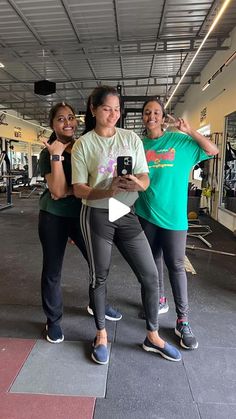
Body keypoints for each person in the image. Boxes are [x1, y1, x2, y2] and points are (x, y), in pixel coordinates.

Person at [71, 85, 181, 365]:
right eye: (107, 108)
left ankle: (152, 336)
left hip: (124, 210)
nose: (113, 114)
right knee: (100, 276)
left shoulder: (131, 138)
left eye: (117, 109)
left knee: (150, 275)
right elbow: (79, 189)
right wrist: (106, 191)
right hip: (95, 212)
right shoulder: (84, 144)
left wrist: (136, 184)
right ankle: (101, 334)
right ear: (94, 109)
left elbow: (144, 179)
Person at [135, 97, 219, 350]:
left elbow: (213, 150)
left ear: (163, 116)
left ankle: (182, 319)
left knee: (176, 266)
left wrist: (190, 130)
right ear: (142, 117)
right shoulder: (137, 144)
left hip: (174, 218)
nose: (151, 116)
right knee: (151, 265)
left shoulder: (180, 142)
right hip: (145, 214)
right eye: (147, 112)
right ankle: (158, 301)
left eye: (156, 112)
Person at [38, 102, 122, 344]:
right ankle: (53, 321)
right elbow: (58, 190)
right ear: (52, 124)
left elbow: (91, 183)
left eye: (71, 118)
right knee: (53, 271)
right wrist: (56, 156)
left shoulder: (84, 146)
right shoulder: (48, 152)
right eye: (61, 119)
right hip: (53, 216)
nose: (68, 123)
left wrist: (77, 191)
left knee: (98, 264)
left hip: (83, 215)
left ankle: (97, 306)